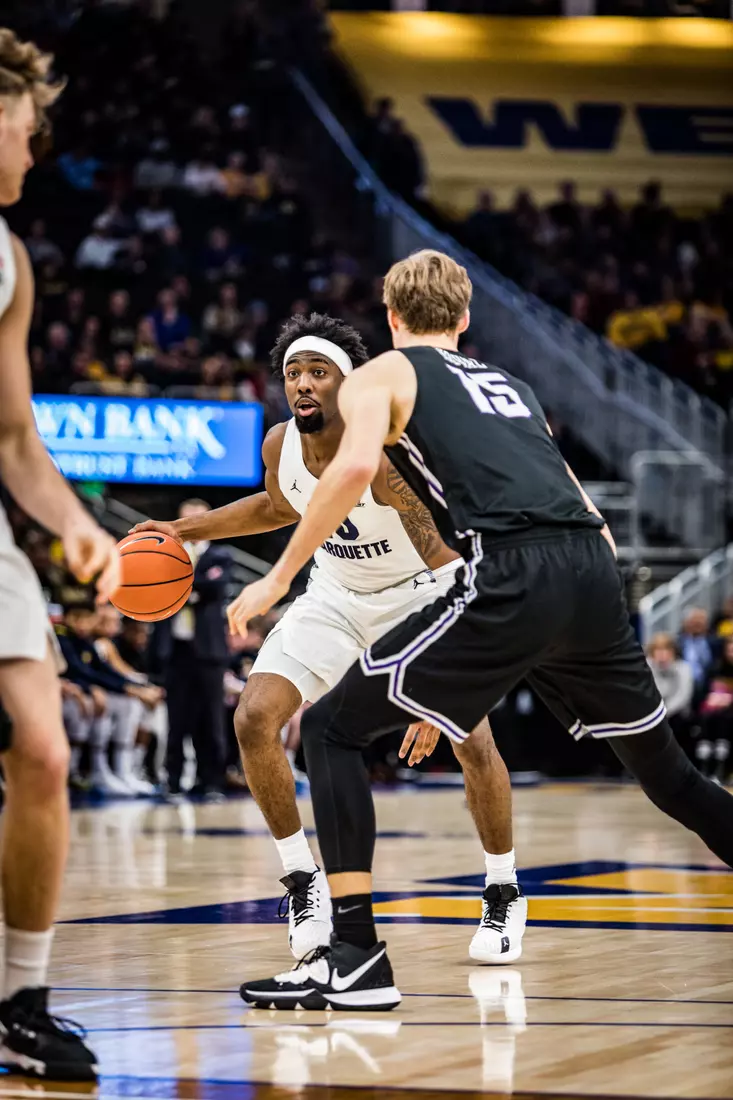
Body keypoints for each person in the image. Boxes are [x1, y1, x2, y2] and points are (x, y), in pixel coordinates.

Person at [228, 249, 733, 1011]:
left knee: (330, 731)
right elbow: (586, 516)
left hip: (513, 568)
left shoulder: (381, 376)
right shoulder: (512, 386)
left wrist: (275, 575)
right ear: (465, 319)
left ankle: (356, 957)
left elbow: (351, 470)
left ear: (391, 318)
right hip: (592, 573)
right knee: (669, 777)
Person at [131, 312, 523, 965]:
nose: (303, 384)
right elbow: (276, 506)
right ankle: (300, 881)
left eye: (319, 372)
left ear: (349, 384)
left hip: (419, 595)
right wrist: (182, 530)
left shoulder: (385, 455)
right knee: (254, 718)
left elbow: (444, 562)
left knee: (470, 738)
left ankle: (503, 888)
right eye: (293, 373)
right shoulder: (279, 443)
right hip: (336, 594)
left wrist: (432, 671)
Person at [0, 29, 119, 1078]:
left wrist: (75, 521)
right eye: (29, 133)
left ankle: (19, 999)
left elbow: (14, 440)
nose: (34, 156)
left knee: (44, 750)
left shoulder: (10, 260)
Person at [148, 500, 232, 802]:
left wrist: (181, 589)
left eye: (199, 519)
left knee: (212, 719)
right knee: (176, 719)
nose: (193, 524)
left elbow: (216, 589)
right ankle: (171, 780)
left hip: (209, 652)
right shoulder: (166, 555)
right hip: (176, 649)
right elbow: (157, 587)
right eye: (187, 519)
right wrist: (194, 591)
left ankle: (211, 782)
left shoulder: (221, 554)